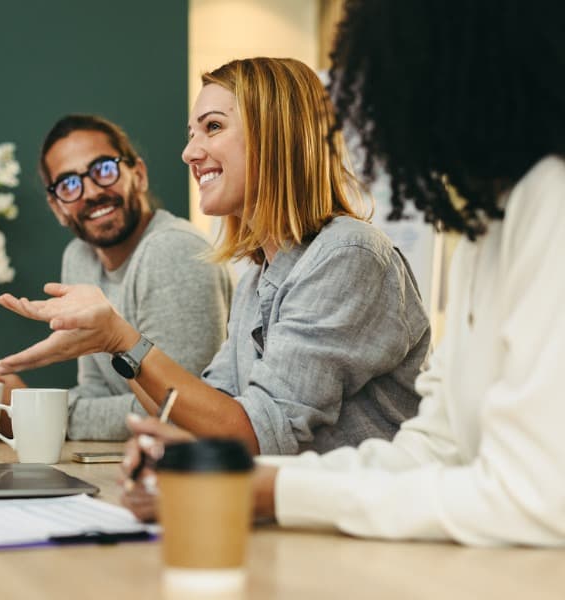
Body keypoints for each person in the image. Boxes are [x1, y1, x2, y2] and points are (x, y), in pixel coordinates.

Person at [123, 0, 565, 546]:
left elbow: (535, 499)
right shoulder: (484, 230)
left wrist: (266, 491)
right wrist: (238, 479)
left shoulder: (549, 202)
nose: (371, 112)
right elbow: (431, 450)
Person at [0, 58, 431, 456]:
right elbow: (204, 414)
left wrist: (118, 339)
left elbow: (256, 434)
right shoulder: (258, 278)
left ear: (274, 133)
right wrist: (112, 347)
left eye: (213, 127)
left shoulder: (347, 255)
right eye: (191, 134)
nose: (189, 153)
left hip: (359, 531)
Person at [0, 115, 233, 440]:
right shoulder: (79, 257)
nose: (90, 192)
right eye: (69, 184)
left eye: (103, 169)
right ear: (57, 207)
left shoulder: (173, 250)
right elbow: (96, 391)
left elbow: (178, 414)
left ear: (138, 175)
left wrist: (33, 413)